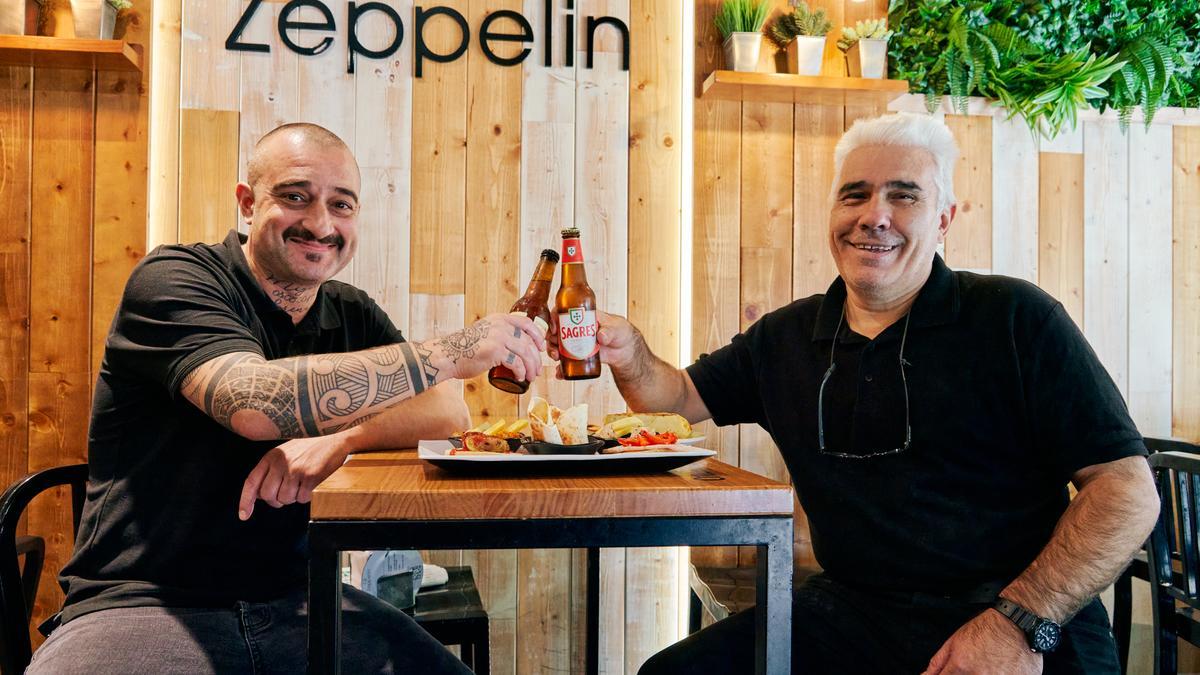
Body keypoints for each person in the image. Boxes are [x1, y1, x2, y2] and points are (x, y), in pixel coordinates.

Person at [557, 114, 1159, 674]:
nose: (875, 215)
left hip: (1017, 610)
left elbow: (1128, 492)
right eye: (855, 194)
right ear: (833, 213)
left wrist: (1020, 624)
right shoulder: (786, 336)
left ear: (943, 218)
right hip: (852, 609)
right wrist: (631, 351)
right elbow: (679, 398)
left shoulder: (1014, 319)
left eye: (904, 195)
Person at [28, 123, 546, 674]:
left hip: (300, 597)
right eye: (296, 197)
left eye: (341, 205)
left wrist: (344, 439)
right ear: (248, 204)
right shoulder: (175, 278)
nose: (321, 224)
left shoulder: (349, 310)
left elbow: (449, 410)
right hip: (142, 602)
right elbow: (254, 402)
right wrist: (460, 347)